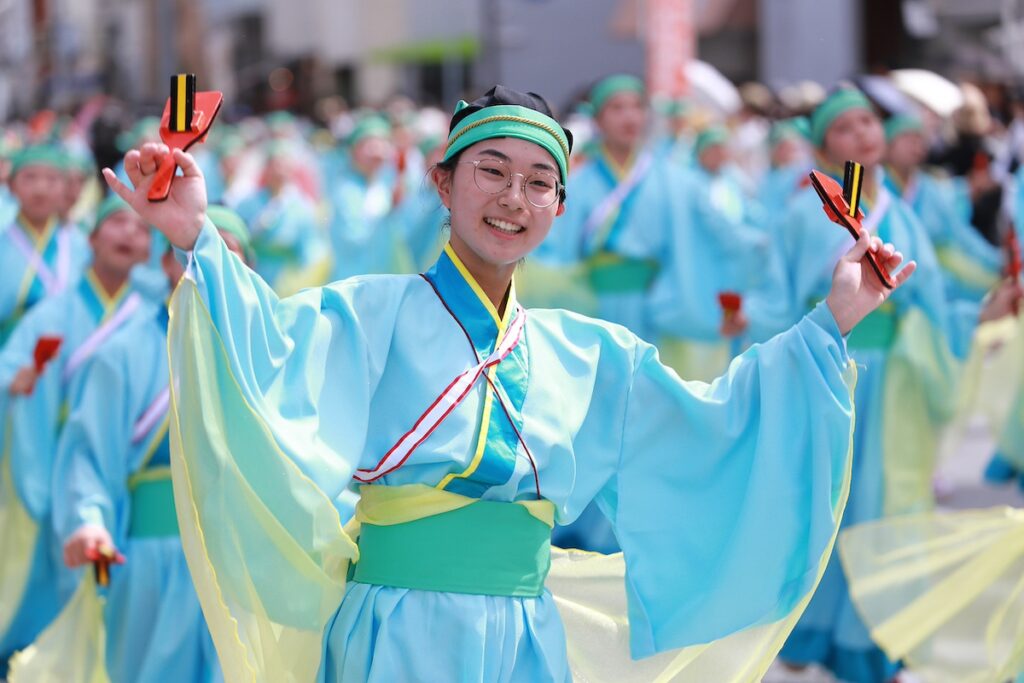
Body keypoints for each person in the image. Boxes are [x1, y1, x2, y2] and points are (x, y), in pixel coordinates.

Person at [105, 85, 914, 683]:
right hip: (394, 628)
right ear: (442, 182)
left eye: (538, 182)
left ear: (560, 205)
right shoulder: (368, 313)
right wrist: (194, 236)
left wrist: (829, 324)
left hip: (529, 635)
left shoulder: (592, 354)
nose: (513, 198)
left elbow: (719, 424)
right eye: (491, 171)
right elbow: (264, 346)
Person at [775, 87, 1021, 683]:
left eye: (868, 121)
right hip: (834, 372)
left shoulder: (903, 208)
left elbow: (926, 302)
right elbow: (778, 300)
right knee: (831, 505)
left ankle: (874, 635)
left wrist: (976, 316)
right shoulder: (804, 210)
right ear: (821, 143)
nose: (862, 134)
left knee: (887, 504)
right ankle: (816, 628)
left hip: (897, 379)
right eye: (844, 128)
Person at [8, 207, 250, 683]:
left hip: (242, 556)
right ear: (165, 265)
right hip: (151, 550)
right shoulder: (122, 353)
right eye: (192, 252)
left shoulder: (268, 350)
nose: (208, 264)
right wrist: (88, 521)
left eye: (226, 251)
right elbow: (89, 455)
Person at [0, 195, 151, 676]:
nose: (128, 234)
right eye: (117, 224)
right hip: (52, 461)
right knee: (43, 581)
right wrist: (16, 383)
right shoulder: (51, 314)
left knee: (105, 576)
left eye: (141, 229)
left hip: (116, 466)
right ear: (90, 238)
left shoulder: (150, 322)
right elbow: (8, 372)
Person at [0, 145, 89, 345]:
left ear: (66, 188)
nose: (40, 188)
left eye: (52, 179)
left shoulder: (82, 245)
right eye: (29, 177)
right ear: (11, 185)